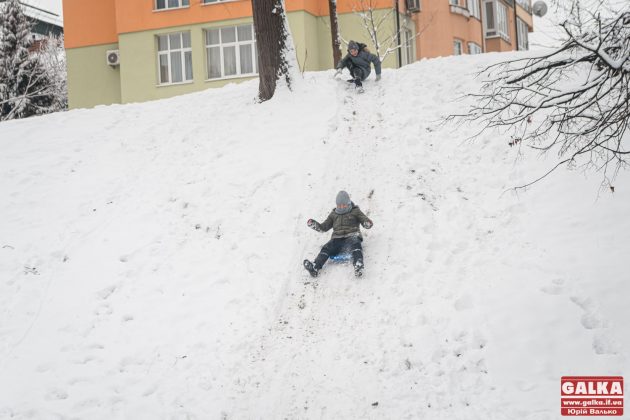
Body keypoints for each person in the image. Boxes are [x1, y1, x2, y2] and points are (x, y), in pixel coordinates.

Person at [303, 191, 374, 278]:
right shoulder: (333, 214)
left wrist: (367, 223)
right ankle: (315, 267)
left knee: (356, 244)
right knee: (327, 247)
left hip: (352, 234)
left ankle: (358, 264)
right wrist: (315, 225)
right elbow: (324, 227)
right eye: (339, 205)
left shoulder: (355, 211)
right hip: (337, 238)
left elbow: (364, 220)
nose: (341, 207)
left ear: (348, 203)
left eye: (343, 205)